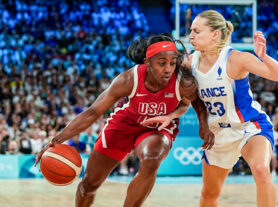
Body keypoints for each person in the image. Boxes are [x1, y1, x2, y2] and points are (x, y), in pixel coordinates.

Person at [141, 10, 278, 207]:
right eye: (190, 31)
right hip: (217, 133)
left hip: (249, 127)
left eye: (197, 31)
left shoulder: (236, 58)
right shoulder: (189, 63)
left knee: (261, 169)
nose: (190, 35)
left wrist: (264, 57)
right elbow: (186, 101)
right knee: (209, 194)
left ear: (215, 34)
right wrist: (171, 115)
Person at [34, 34, 199, 207]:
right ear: (147, 62)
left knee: (151, 160)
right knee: (89, 184)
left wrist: (171, 116)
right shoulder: (128, 79)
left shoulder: (182, 80)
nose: (168, 69)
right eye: (162, 63)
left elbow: (187, 103)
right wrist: (56, 140)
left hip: (157, 126)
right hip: (124, 123)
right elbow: (93, 112)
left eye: (172, 63)